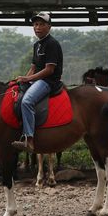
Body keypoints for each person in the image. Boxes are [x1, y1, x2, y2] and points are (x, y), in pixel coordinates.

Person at [11, 11, 64, 153]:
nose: (37, 27)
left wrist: (28, 79)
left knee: (27, 101)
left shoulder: (52, 44)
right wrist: (22, 80)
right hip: (37, 80)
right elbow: (34, 67)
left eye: (41, 24)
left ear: (49, 26)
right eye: (35, 24)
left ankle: (29, 139)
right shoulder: (37, 45)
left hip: (48, 81)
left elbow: (49, 70)